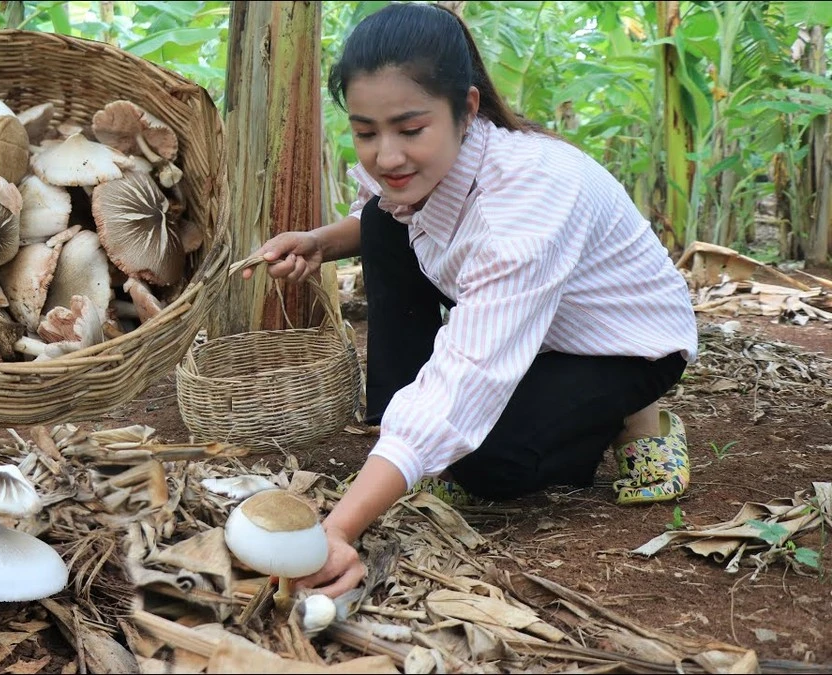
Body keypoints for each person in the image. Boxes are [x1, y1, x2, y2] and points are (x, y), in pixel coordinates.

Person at [240, 3, 699, 599]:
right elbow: (382, 218)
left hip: (622, 345)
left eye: (410, 129)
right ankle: (400, 433)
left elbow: (469, 376)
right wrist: (320, 243)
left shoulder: (526, 200)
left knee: (490, 466)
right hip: (536, 330)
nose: (386, 156)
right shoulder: (415, 170)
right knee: (384, 218)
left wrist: (339, 529)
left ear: (468, 108)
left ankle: (632, 418)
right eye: (365, 132)